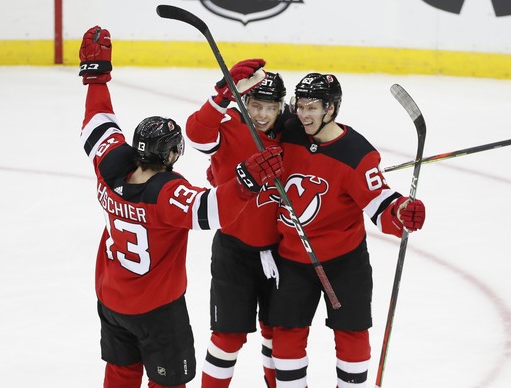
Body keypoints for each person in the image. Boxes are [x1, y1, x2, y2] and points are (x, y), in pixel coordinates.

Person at [78, 26, 283, 388]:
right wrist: (247, 182)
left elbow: (98, 122)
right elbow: (213, 211)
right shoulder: (168, 195)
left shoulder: (108, 167)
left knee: (120, 374)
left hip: (110, 302)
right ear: (170, 154)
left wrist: (96, 77)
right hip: (156, 310)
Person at [267, 73, 427, 387]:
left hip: (344, 261)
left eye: (312, 107)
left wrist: (402, 212)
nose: (304, 113)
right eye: (300, 105)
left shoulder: (358, 154)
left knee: (352, 332)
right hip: (293, 257)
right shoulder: (289, 132)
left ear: (332, 108)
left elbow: (381, 205)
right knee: (286, 332)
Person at [185, 60, 291, 387]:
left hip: (281, 252)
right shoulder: (230, 123)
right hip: (234, 252)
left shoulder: (294, 133)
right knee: (227, 337)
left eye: (269, 108)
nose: (260, 114)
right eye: (254, 105)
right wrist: (221, 96)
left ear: (281, 107)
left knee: (277, 336)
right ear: (244, 102)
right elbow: (197, 135)